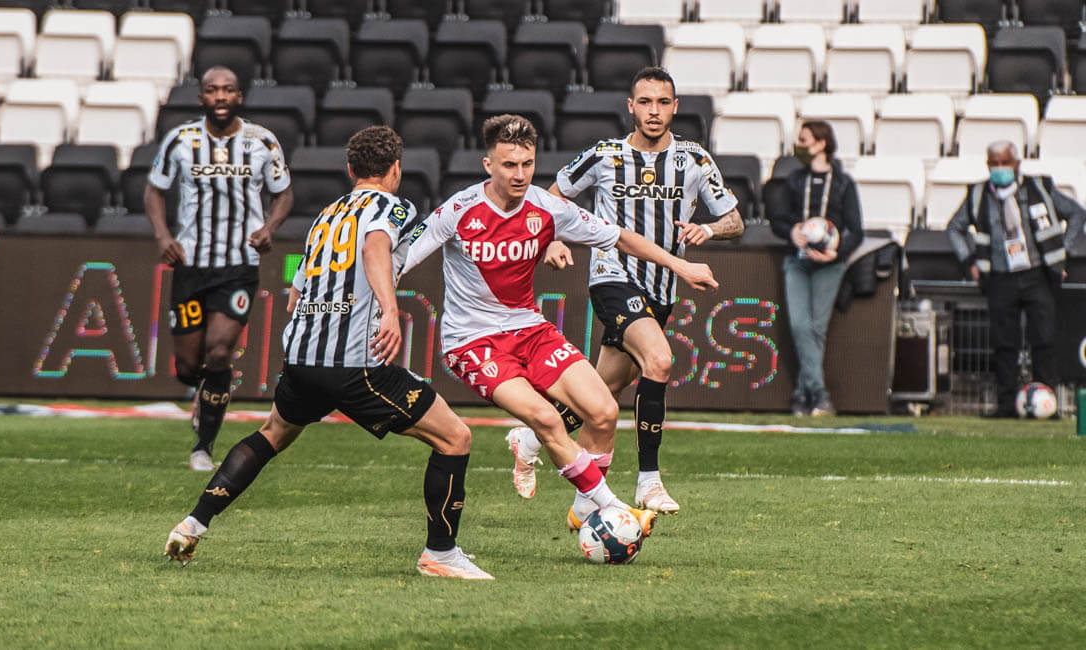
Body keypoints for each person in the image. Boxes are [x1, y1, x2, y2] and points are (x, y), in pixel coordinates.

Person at [164, 125, 493, 580]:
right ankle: (441, 552)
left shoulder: (326, 215)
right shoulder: (393, 206)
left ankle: (193, 524)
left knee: (272, 434)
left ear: (350, 169)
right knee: (455, 437)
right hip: (355, 365)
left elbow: (296, 294)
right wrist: (388, 310)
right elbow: (375, 246)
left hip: (302, 359)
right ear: (396, 169)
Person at [400, 114, 719, 534]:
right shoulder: (458, 210)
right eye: (509, 165)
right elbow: (400, 260)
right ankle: (616, 511)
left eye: (527, 164)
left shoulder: (547, 207)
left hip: (530, 330)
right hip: (472, 341)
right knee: (547, 419)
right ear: (488, 165)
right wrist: (378, 308)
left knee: (604, 412)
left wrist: (681, 266)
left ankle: (585, 512)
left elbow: (620, 237)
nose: (519, 174)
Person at [506, 66, 744, 514]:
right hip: (612, 276)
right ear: (630, 106)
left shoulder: (694, 159)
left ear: (675, 107)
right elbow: (552, 196)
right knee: (660, 360)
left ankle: (534, 443)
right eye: (645, 102)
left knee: (601, 394)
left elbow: (735, 220)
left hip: (661, 289)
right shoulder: (605, 155)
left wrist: (709, 230)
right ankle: (648, 482)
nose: (654, 111)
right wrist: (553, 239)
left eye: (663, 102)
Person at [145, 66, 293, 471]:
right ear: (202, 99)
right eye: (212, 90)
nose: (221, 96)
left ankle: (203, 446)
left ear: (239, 96)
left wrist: (269, 228)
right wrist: (163, 236)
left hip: (238, 266)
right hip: (191, 264)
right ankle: (202, 393)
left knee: (220, 351)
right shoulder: (181, 140)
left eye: (228, 89)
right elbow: (155, 190)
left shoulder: (262, 141)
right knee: (187, 367)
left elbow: (283, 193)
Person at [946, 140, 1085, 417]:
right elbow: (954, 228)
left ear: (1017, 164)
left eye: (1004, 163)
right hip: (999, 276)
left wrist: (1062, 253)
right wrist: (969, 262)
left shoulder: (1040, 188)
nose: (1000, 169)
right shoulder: (978, 194)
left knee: (1043, 339)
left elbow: (1077, 214)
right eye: (994, 164)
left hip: (1038, 274)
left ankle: (1046, 401)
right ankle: (1006, 404)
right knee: (1004, 343)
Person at [768, 121, 863, 416]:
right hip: (797, 261)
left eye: (804, 140)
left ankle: (802, 395)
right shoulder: (795, 180)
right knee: (800, 325)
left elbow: (856, 231)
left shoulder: (843, 184)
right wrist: (791, 232)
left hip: (829, 265)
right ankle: (819, 395)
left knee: (816, 329)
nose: (799, 146)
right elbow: (778, 219)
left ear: (822, 144)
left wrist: (836, 252)